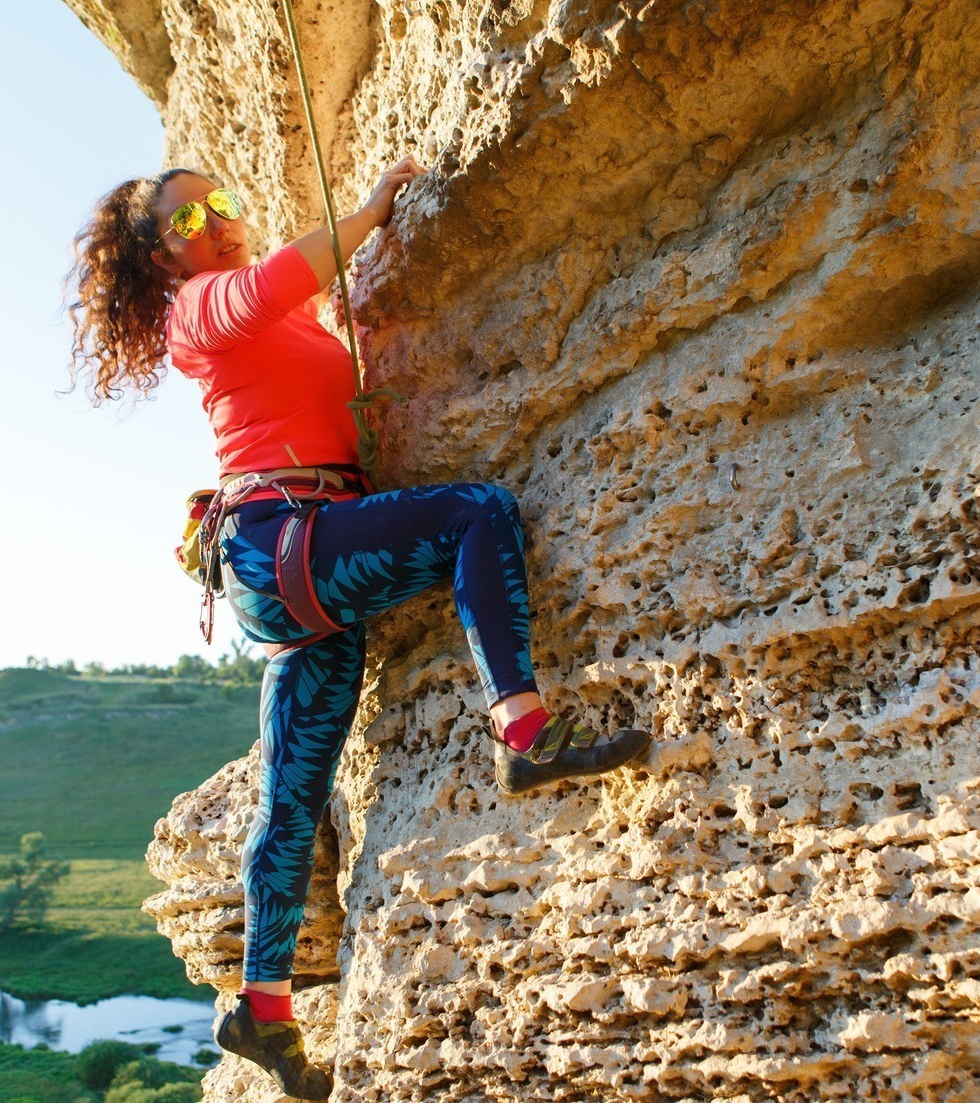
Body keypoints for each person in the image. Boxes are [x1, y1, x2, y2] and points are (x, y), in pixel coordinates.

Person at [67, 157, 650, 1100]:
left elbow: (288, 327)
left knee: (290, 794)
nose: (217, 222)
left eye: (222, 204)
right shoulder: (200, 309)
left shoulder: (274, 319)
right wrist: (373, 212)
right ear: (162, 259)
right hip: (284, 541)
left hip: (296, 567)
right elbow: (268, 283)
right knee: (477, 514)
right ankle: (527, 728)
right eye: (189, 221)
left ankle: (262, 1006)